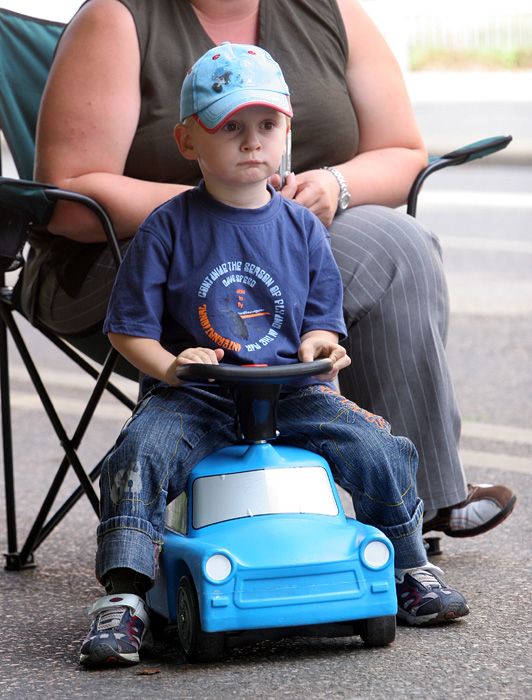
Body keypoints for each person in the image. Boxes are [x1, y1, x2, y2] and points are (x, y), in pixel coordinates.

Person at [23, 1, 514, 544]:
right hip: (128, 255)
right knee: (369, 253)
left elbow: (402, 152)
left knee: (400, 242)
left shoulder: (329, 11)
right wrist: (226, 208)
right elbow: (67, 193)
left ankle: (415, 504)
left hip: (289, 233)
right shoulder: (118, 18)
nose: (252, 137)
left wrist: (333, 184)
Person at [80, 43, 469, 667]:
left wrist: (323, 344)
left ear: (287, 132)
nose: (250, 141)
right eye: (229, 126)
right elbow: (129, 332)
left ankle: (407, 567)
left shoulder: (304, 227)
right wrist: (171, 367)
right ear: (188, 141)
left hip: (293, 389)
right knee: (139, 452)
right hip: (197, 392)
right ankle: (124, 595)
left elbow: (321, 320)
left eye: (265, 126)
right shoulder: (167, 225)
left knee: (377, 447)